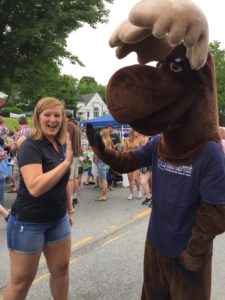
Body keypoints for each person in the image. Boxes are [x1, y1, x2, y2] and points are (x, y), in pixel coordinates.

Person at [3, 97, 74, 300]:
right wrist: (66, 163)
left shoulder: (59, 145)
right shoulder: (31, 146)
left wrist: (70, 209)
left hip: (57, 219)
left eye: (57, 115)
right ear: (37, 117)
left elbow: (64, 182)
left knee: (61, 271)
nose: (53, 119)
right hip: (28, 221)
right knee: (21, 282)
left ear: (62, 119)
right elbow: (35, 187)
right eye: (47, 115)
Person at [65, 110, 82, 206]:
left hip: (72, 154)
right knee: (74, 177)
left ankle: (70, 199)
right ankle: (74, 196)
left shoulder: (69, 125)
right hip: (76, 154)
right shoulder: (76, 125)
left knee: (70, 178)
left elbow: (68, 139)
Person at [123, 129, 143, 200]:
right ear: (133, 132)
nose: (137, 133)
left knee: (136, 178)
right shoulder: (126, 139)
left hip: (136, 160)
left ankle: (139, 190)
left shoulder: (139, 139)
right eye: (136, 131)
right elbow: (124, 150)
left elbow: (142, 150)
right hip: (129, 160)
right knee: (130, 178)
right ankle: (131, 193)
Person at [96, 128, 114, 201]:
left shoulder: (102, 141)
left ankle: (104, 195)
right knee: (104, 178)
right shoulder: (109, 141)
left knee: (103, 179)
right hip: (107, 161)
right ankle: (104, 193)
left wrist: (97, 158)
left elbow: (99, 152)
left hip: (102, 161)